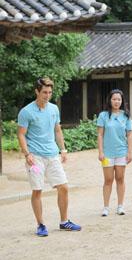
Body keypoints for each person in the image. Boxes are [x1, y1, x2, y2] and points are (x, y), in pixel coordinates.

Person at [17, 77, 81, 237]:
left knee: (63, 187)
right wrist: (27, 154)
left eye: (50, 92)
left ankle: (64, 221)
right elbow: (21, 134)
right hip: (35, 159)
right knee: (38, 190)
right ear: (37, 91)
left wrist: (63, 149)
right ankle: (40, 225)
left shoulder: (53, 109)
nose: (47, 95)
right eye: (44, 92)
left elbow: (57, 130)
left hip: (53, 156)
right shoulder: (26, 112)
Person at [97, 89, 132, 216]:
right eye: (114, 99)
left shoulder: (126, 116)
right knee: (108, 180)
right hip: (107, 153)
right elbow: (100, 135)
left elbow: (129, 135)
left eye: (119, 99)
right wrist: (100, 152)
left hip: (121, 152)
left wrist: (130, 152)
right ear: (110, 100)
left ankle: (120, 206)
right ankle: (106, 207)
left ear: (122, 101)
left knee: (120, 178)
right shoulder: (103, 116)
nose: (116, 101)